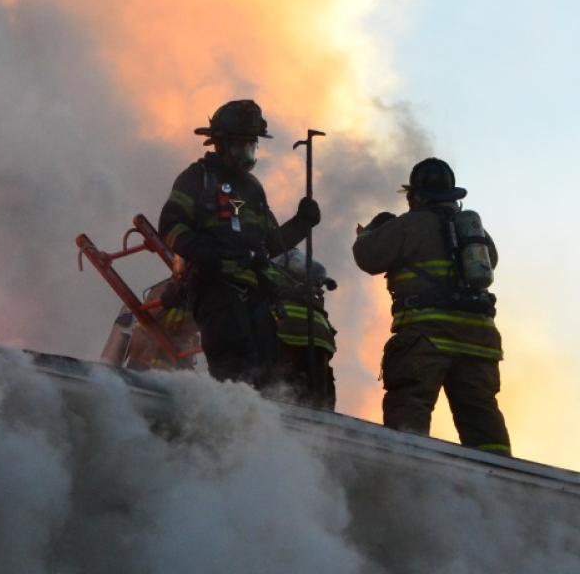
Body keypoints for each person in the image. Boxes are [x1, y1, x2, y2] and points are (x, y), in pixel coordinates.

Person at [352, 157, 510, 456]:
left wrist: (373, 230)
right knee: (482, 417)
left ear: (415, 196)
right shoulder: (474, 232)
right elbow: (491, 262)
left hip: (426, 337)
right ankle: (502, 476)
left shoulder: (407, 225)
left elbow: (368, 257)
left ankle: (409, 471)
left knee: (409, 407)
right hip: (479, 339)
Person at [157, 99, 320, 388]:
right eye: (240, 146)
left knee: (267, 370)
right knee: (234, 368)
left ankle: (259, 416)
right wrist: (207, 255)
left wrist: (302, 223)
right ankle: (232, 416)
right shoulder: (197, 179)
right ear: (220, 144)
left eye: (251, 146)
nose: (247, 154)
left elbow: (272, 244)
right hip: (214, 288)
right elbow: (170, 226)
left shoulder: (253, 189)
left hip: (256, 294)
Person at [267, 249, 337, 409]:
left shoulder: (272, 265)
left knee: (281, 386)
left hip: (287, 330)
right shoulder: (300, 266)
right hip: (321, 336)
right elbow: (319, 271)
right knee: (319, 397)